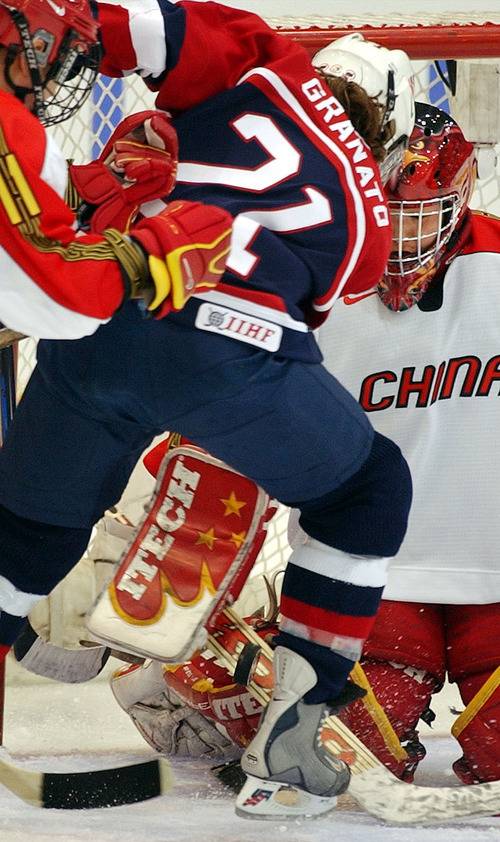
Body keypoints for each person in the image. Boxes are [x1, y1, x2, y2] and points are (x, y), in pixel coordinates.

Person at [0, 0, 416, 818]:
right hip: (225, 345)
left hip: (98, 323)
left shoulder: (255, 64)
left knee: (22, 529)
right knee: (367, 492)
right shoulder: (368, 212)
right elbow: (324, 298)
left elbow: (124, 27)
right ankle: (289, 753)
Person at [318, 101, 500, 787]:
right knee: (353, 758)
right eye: (382, 214)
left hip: (495, 572)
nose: (397, 238)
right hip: (379, 578)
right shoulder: (320, 284)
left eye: (416, 215)